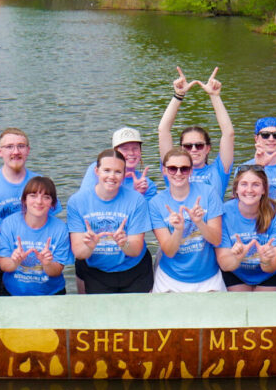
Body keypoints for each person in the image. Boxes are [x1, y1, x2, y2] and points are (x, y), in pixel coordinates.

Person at [68, 149, 154, 294]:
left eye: (118, 172)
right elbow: (79, 253)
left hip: (133, 269)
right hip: (96, 269)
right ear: (96, 171)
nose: (111, 176)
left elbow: (135, 250)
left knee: (138, 316)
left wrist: (123, 243)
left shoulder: (136, 200)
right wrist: (89, 246)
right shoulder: (77, 201)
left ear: (124, 173)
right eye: (106, 170)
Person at [149, 147, 225, 292]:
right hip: (170, 278)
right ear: (164, 171)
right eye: (172, 169)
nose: (178, 173)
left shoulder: (208, 193)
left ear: (191, 171)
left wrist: (199, 222)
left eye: (184, 169)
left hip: (208, 277)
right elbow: (169, 251)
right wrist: (178, 230)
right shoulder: (156, 203)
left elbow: (216, 240)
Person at [157, 67, 236, 202]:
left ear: (208, 148)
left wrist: (214, 96)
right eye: (188, 146)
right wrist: (178, 95)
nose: (193, 150)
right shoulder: (173, 170)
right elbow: (163, 130)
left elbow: (228, 133)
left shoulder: (219, 170)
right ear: (181, 149)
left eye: (199, 145)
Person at [216, 166, 276, 291]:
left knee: (261, 308)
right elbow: (225, 265)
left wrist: (266, 260)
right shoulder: (223, 213)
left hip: (270, 274)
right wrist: (237, 257)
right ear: (236, 190)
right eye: (244, 184)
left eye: (256, 185)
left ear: (264, 190)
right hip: (236, 272)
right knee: (240, 307)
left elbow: (272, 267)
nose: (249, 190)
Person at [0, 177, 73, 296]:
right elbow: (4, 265)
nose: (39, 201)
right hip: (13, 292)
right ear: (24, 200)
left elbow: (56, 271)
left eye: (46, 197)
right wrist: (14, 261)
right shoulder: (8, 224)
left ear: (52, 203)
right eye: (33, 195)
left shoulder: (60, 228)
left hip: (51, 293)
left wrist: (47, 263)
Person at [80, 127, 159, 201]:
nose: (131, 153)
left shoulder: (147, 185)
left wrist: (138, 194)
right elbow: (85, 201)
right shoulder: (98, 169)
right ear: (115, 151)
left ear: (140, 151)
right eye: (125, 149)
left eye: (135, 148)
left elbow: (144, 214)